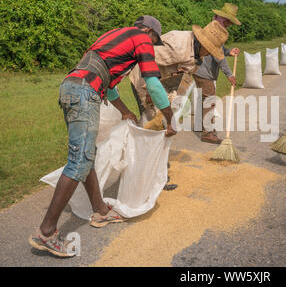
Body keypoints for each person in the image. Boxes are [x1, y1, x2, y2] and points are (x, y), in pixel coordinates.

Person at [29, 15, 176, 257]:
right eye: (154, 39)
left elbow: (107, 83)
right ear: (149, 31)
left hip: (71, 87)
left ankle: (100, 210)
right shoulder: (141, 38)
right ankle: (47, 233)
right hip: (85, 92)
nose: (151, 44)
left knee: (87, 155)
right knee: (79, 161)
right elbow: (152, 82)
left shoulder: (113, 36)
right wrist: (169, 117)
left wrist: (126, 112)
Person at [193, 3, 241, 144]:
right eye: (226, 21)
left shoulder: (213, 29)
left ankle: (204, 127)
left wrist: (229, 52)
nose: (227, 24)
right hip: (203, 72)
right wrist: (229, 74)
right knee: (209, 100)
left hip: (200, 70)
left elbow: (219, 49)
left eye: (230, 23)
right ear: (218, 17)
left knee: (206, 100)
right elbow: (219, 57)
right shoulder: (213, 30)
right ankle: (208, 133)